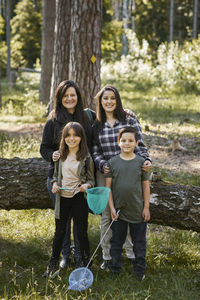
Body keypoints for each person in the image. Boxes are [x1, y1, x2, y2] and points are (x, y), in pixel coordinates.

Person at [92, 85, 152, 270]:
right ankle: (108, 256)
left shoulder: (129, 119)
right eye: (105, 99)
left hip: (130, 167)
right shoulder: (96, 124)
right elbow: (94, 151)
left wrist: (147, 160)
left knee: (129, 209)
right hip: (107, 171)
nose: (109, 102)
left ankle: (132, 254)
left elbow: (140, 144)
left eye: (112, 98)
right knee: (107, 214)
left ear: (117, 100)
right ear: (100, 102)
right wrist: (103, 164)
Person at [40, 80, 96, 269]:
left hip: (81, 180)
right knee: (62, 223)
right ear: (60, 99)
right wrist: (51, 155)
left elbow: (99, 131)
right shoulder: (53, 120)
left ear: (78, 97)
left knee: (80, 222)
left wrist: (127, 113)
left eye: (73, 95)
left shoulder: (87, 118)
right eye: (66, 96)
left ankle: (81, 255)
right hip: (58, 178)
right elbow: (44, 148)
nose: (70, 98)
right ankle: (65, 256)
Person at [43, 122, 95, 277]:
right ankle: (53, 264)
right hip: (62, 199)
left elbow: (91, 180)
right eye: (68, 135)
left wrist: (86, 185)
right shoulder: (59, 155)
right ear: (64, 137)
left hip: (79, 198)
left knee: (81, 232)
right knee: (59, 232)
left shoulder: (86, 158)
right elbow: (53, 176)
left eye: (75, 135)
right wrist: (54, 184)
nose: (72, 139)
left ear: (81, 137)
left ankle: (85, 262)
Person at [106, 126, 150, 280]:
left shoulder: (141, 163)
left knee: (139, 243)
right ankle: (115, 270)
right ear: (118, 142)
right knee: (116, 242)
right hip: (118, 212)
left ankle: (139, 272)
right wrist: (111, 208)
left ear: (136, 143)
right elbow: (108, 188)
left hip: (137, 210)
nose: (127, 143)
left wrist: (146, 208)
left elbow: (145, 186)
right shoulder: (112, 163)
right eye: (123, 140)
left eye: (130, 140)